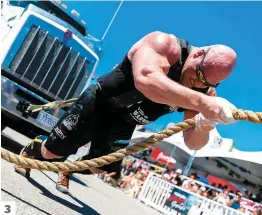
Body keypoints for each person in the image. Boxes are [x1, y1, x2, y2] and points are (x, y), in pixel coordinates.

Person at [14, 31, 237, 193]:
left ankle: (66, 170)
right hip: (100, 104)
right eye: (199, 76)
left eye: (209, 84)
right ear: (198, 55)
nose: (198, 84)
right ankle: (34, 148)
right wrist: (201, 101)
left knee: (97, 167)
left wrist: (205, 123)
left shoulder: (201, 90)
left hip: (126, 121)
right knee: (51, 153)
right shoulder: (165, 45)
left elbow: (193, 143)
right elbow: (146, 79)